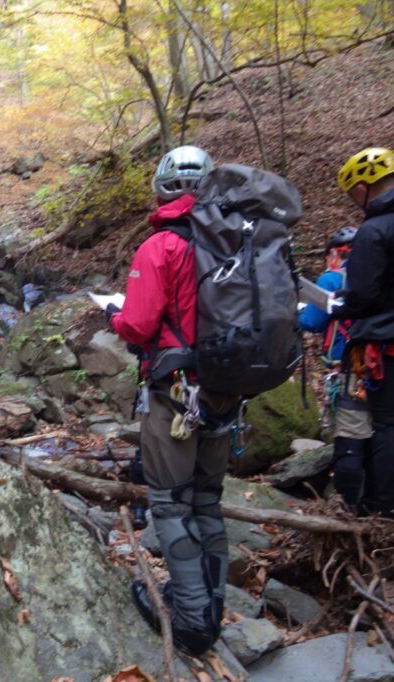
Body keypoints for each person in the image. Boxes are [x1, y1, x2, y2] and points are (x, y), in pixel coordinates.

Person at [105, 145, 241, 656]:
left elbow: (139, 325)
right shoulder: (236, 241)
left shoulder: (161, 246)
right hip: (227, 390)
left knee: (168, 500)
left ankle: (190, 620)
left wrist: (114, 319)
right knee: (206, 499)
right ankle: (211, 604)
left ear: (161, 189)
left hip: (177, 392)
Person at [333, 147, 394, 516]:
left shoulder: (374, 230)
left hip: (385, 341)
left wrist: (336, 303)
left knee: (387, 424)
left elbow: (363, 295)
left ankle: (382, 508)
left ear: (362, 186)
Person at [298, 227, 372, 507]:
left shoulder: (332, 279)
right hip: (382, 364)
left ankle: (347, 508)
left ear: (338, 253)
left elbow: (312, 322)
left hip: (351, 370)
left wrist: (299, 311)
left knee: (350, 440)